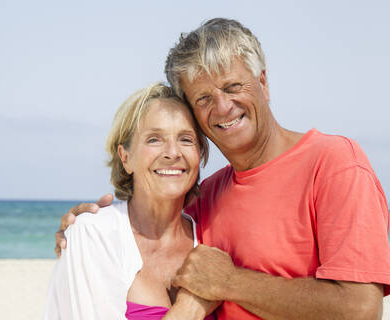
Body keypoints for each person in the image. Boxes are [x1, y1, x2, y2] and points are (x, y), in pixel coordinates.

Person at [55, 19, 390, 319]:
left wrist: (231, 283)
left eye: (233, 87)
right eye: (203, 98)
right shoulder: (206, 197)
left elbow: (360, 309)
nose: (223, 107)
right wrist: (87, 230)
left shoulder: (334, 163)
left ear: (263, 82)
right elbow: (143, 230)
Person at [44, 83, 216, 319]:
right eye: (154, 139)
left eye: (186, 139)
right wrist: (190, 308)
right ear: (126, 158)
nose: (173, 152)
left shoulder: (212, 239)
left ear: (200, 155)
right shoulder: (93, 235)